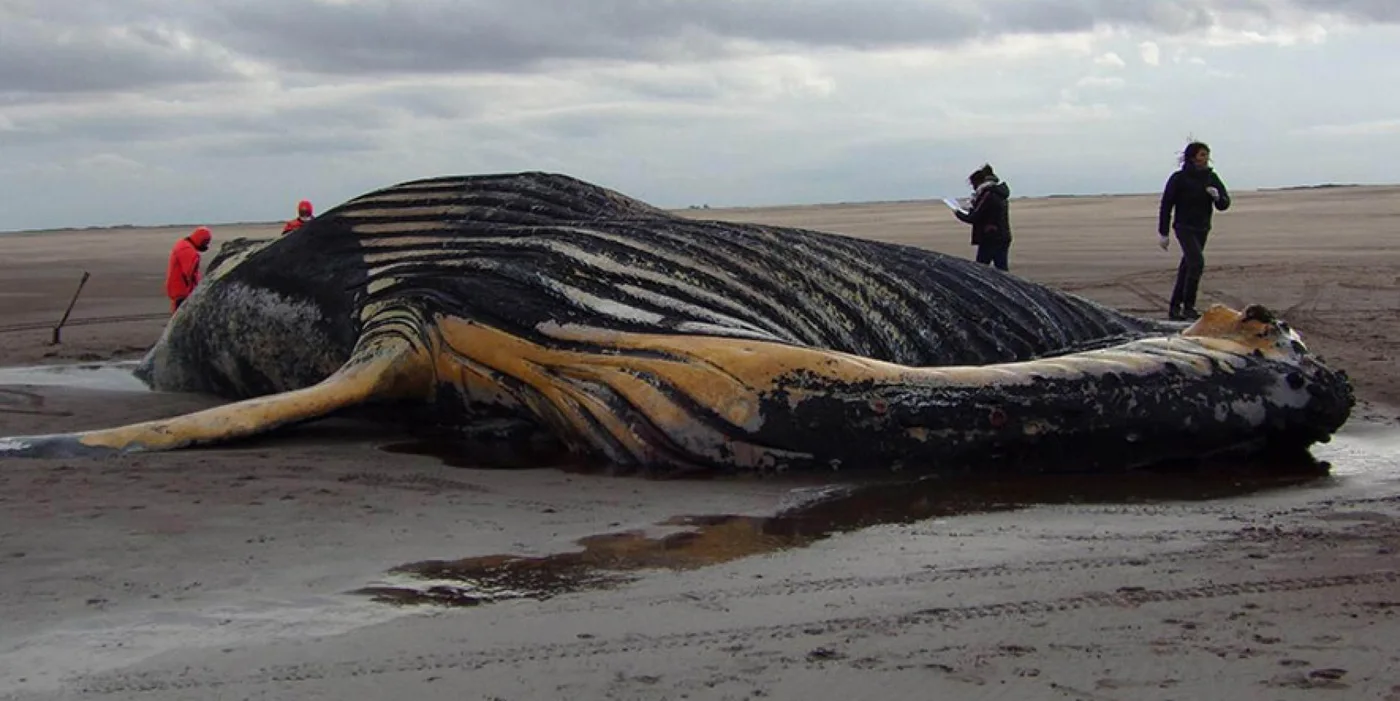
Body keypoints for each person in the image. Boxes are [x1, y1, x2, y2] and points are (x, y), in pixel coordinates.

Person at [1158, 141, 1231, 321]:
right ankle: (1189, 307)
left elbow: (1224, 204)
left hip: (1202, 227)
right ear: (1192, 157)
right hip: (1184, 227)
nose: (1205, 159)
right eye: (1202, 155)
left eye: (1207, 155)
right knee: (1197, 262)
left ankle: (1175, 307)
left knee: (1187, 266)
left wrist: (1217, 197)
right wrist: (1163, 232)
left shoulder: (1211, 177)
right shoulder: (1179, 178)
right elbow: (1166, 205)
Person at [953, 164, 1013, 271]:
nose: (973, 188)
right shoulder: (998, 192)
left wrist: (957, 212)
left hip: (991, 237)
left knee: (980, 269)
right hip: (1001, 236)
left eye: (973, 185)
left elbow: (974, 217)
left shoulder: (988, 194)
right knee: (1002, 269)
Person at [165, 226, 212, 313]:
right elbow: (190, 274)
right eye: (205, 242)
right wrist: (196, 292)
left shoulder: (182, 244)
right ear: (200, 240)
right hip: (182, 292)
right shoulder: (188, 251)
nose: (206, 245)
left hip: (178, 291)